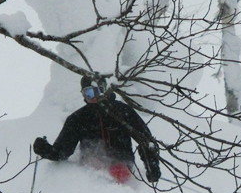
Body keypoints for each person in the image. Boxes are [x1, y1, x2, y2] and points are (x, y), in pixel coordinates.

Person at [33, 75, 161, 183]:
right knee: (95, 169)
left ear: (105, 90)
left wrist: (151, 164)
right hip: (92, 169)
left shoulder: (121, 111)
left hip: (121, 165)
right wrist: (45, 150)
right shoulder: (78, 118)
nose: (94, 96)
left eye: (98, 91)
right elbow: (62, 151)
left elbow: (145, 139)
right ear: (83, 95)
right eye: (89, 93)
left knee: (118, 172)